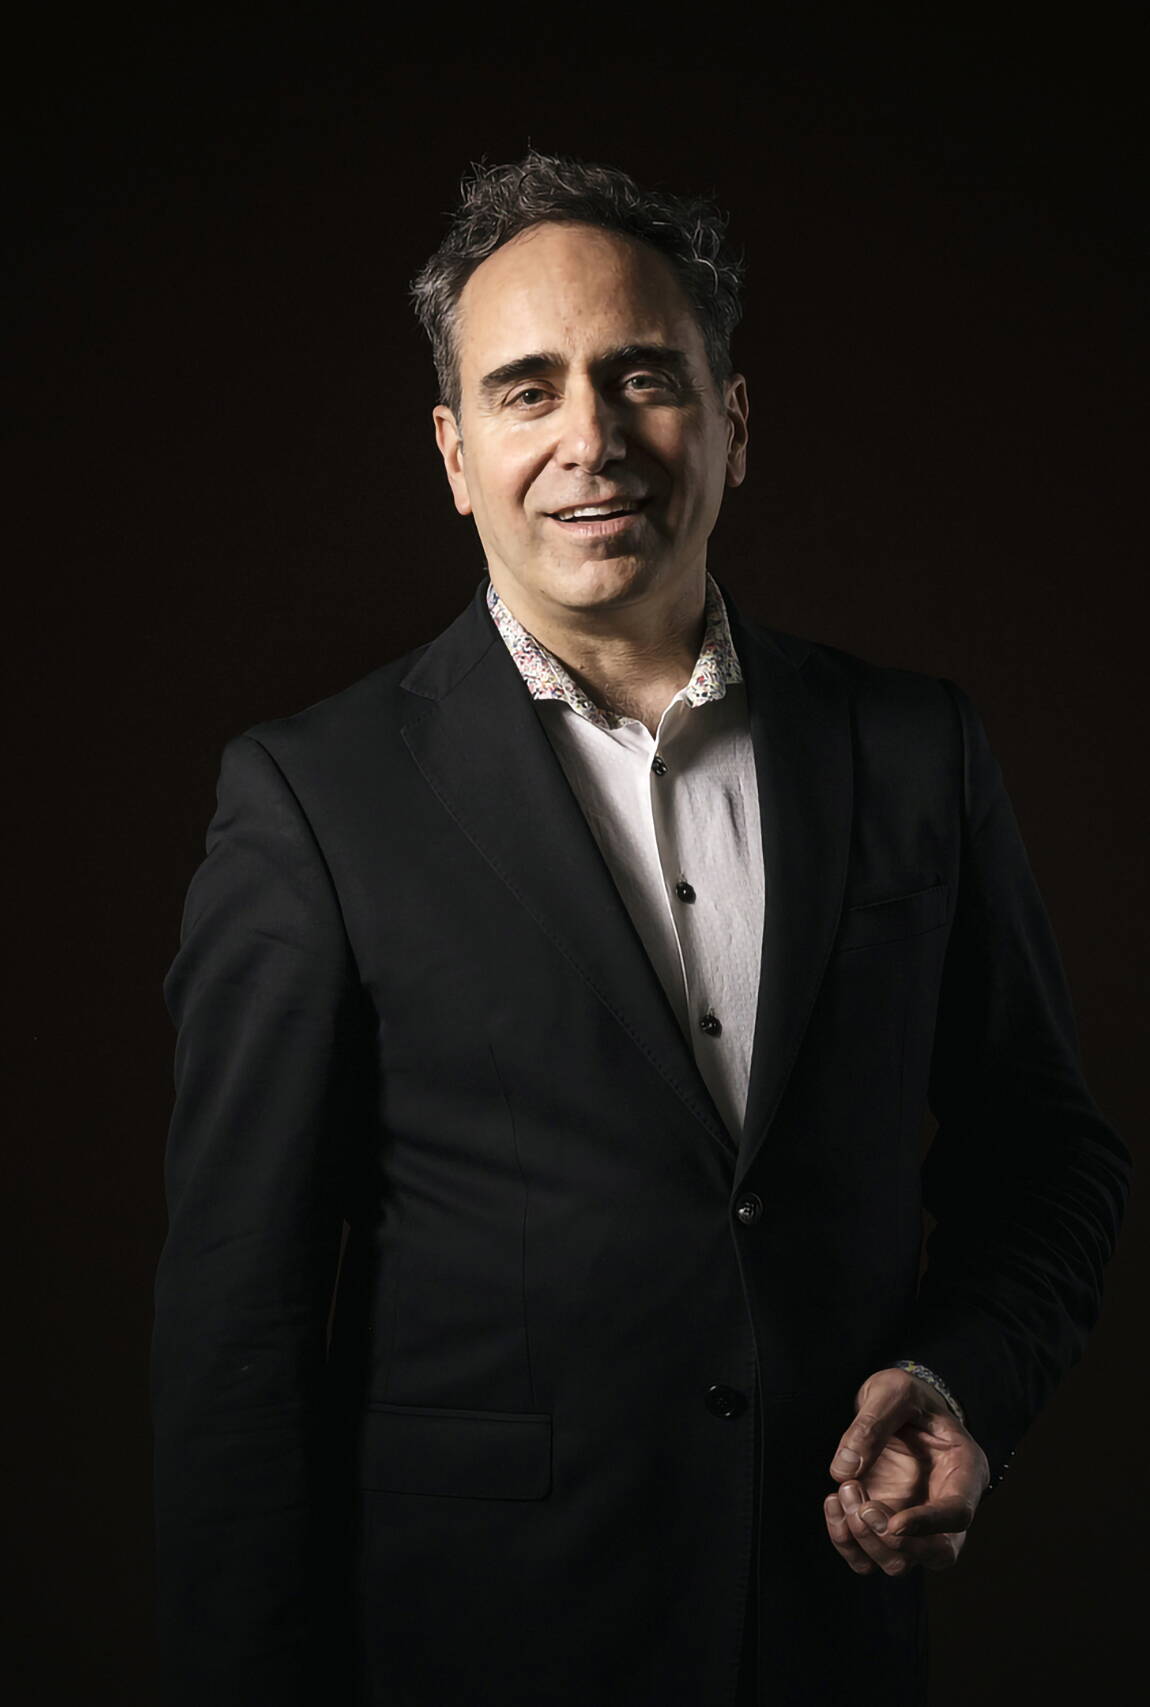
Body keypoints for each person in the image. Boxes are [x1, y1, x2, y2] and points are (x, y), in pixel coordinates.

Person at [151, 149, 1132, 1707]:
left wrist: (959, 1381)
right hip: (470, 1646)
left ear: (732, 423)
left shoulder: (911, 749)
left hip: (824, 1634)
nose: (590, 439)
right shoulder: (312, 799)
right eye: (525, 391)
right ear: (454, 451)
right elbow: (239, 1320)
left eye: (642, 378)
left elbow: (1045, 1157)